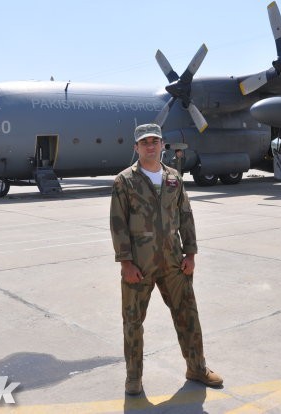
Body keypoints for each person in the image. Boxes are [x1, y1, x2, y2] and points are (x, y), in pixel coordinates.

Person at [110, 123, 223, 395]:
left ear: (162, 145)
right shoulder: (124, 180)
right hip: (140, 264)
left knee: (188, 316)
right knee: (133, 322)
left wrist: (191, 253)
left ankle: (196, 367)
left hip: (174, 261)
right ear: (136, 147)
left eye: (155, 141)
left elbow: (186, 215)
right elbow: (118, 223)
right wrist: (126, 262)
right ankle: (134, 377)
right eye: (145, 142)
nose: (151, 145)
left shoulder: (174, 177)